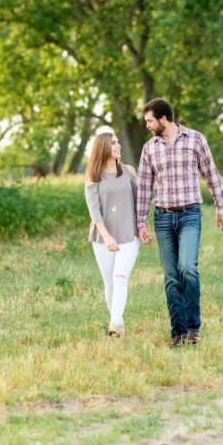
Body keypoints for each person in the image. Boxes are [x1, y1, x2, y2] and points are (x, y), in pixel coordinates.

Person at [136, 98, 223, 347]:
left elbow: (211, 173)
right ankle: (177, 332)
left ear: (163, 118)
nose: (147, 125)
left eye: (150, 121)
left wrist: (221, 207)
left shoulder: (195, 139)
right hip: (163, 217)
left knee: (187, 267)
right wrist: (141, 222)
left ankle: (193, 327)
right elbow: (144, 187)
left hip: (190, 214)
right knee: (171, 276)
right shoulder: (149, 148)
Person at [84, 131, 141, 338]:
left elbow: (140, 202)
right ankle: (119, 325)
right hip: (102, 236)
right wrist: (107, 236)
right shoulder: (93, 176)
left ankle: (113, 323)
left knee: (120, 276)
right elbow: (94, 210)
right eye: (113, 143)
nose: (118, 146)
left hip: (128, 233)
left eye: (118, 142)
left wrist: (144, 226)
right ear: (103, 148)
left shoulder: (128, 171)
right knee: (109, 282)